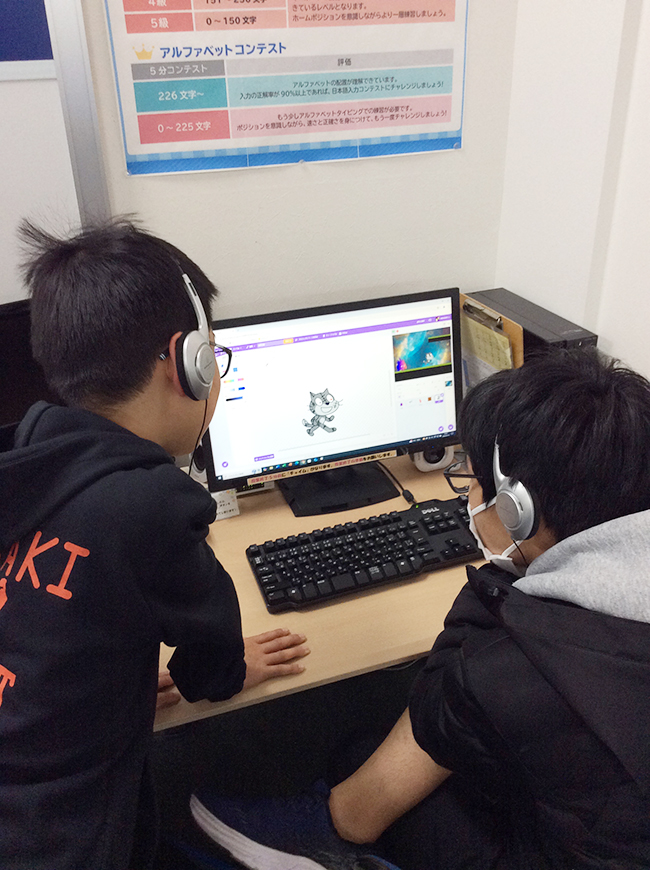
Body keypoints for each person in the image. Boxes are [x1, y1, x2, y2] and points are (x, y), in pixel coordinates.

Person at [189, 347, 650, 870]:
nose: (468, 499)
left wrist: (502, 577)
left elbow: (436, 715)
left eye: (473, 483)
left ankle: (325, 844)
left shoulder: (511, 667)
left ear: (517, 510)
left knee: (358, 758)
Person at [0, 219, 310, 870]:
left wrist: (108, 688)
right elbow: (210, 670)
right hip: (67, 831)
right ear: (187, 362)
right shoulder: (154, 506)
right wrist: (231, 668)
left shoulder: (27, 455)